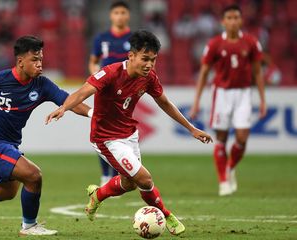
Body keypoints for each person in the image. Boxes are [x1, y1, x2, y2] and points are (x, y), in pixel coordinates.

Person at [47, 30, 213, 236]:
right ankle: (167, 214)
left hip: (129, 135)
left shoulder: (149, 78)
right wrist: (64, 107)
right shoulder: (110, 73)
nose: (149, 64)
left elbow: (165, 103)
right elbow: (82, 92)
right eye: (145, 59)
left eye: (153, 60)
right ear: (131, 56)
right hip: (106, 139)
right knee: (144, 179)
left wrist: (191, 128)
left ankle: (97, 195)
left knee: (129, 184)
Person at [0, 36, 91, 236]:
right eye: (34, 59)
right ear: (20, 61)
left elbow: (69, 101)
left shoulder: (42, 85)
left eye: (41, 59)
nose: (39, 64)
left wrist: (93, 114)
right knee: (33, 175)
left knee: (6, 192)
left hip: (10, 145)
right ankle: (29, 226)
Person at [189, 5, 267, 196]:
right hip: (221, 93)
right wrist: (197, 101)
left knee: (242, 137)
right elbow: (204, 72)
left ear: (240, 20)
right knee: (221, 138)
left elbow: (258, 72)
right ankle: (223, 181)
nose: (233, 21)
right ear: (223, 21)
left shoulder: (251, 42)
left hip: (243, 93)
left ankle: (230, 168)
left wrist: (263, 100)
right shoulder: (215, 44)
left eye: (236, 17)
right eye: (229, 18)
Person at [88, 1, 132, 186]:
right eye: (117, 13)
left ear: (128, 15)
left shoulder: (134, 39)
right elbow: (93, 61)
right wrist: (97, 79)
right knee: (101, 131)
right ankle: (105, 175)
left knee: (121, 132)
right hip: (105, 91)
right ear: (111, 16)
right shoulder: (102, 38)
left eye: (123, 12)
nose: (120, 16)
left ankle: (117, 174)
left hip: (125, 91)